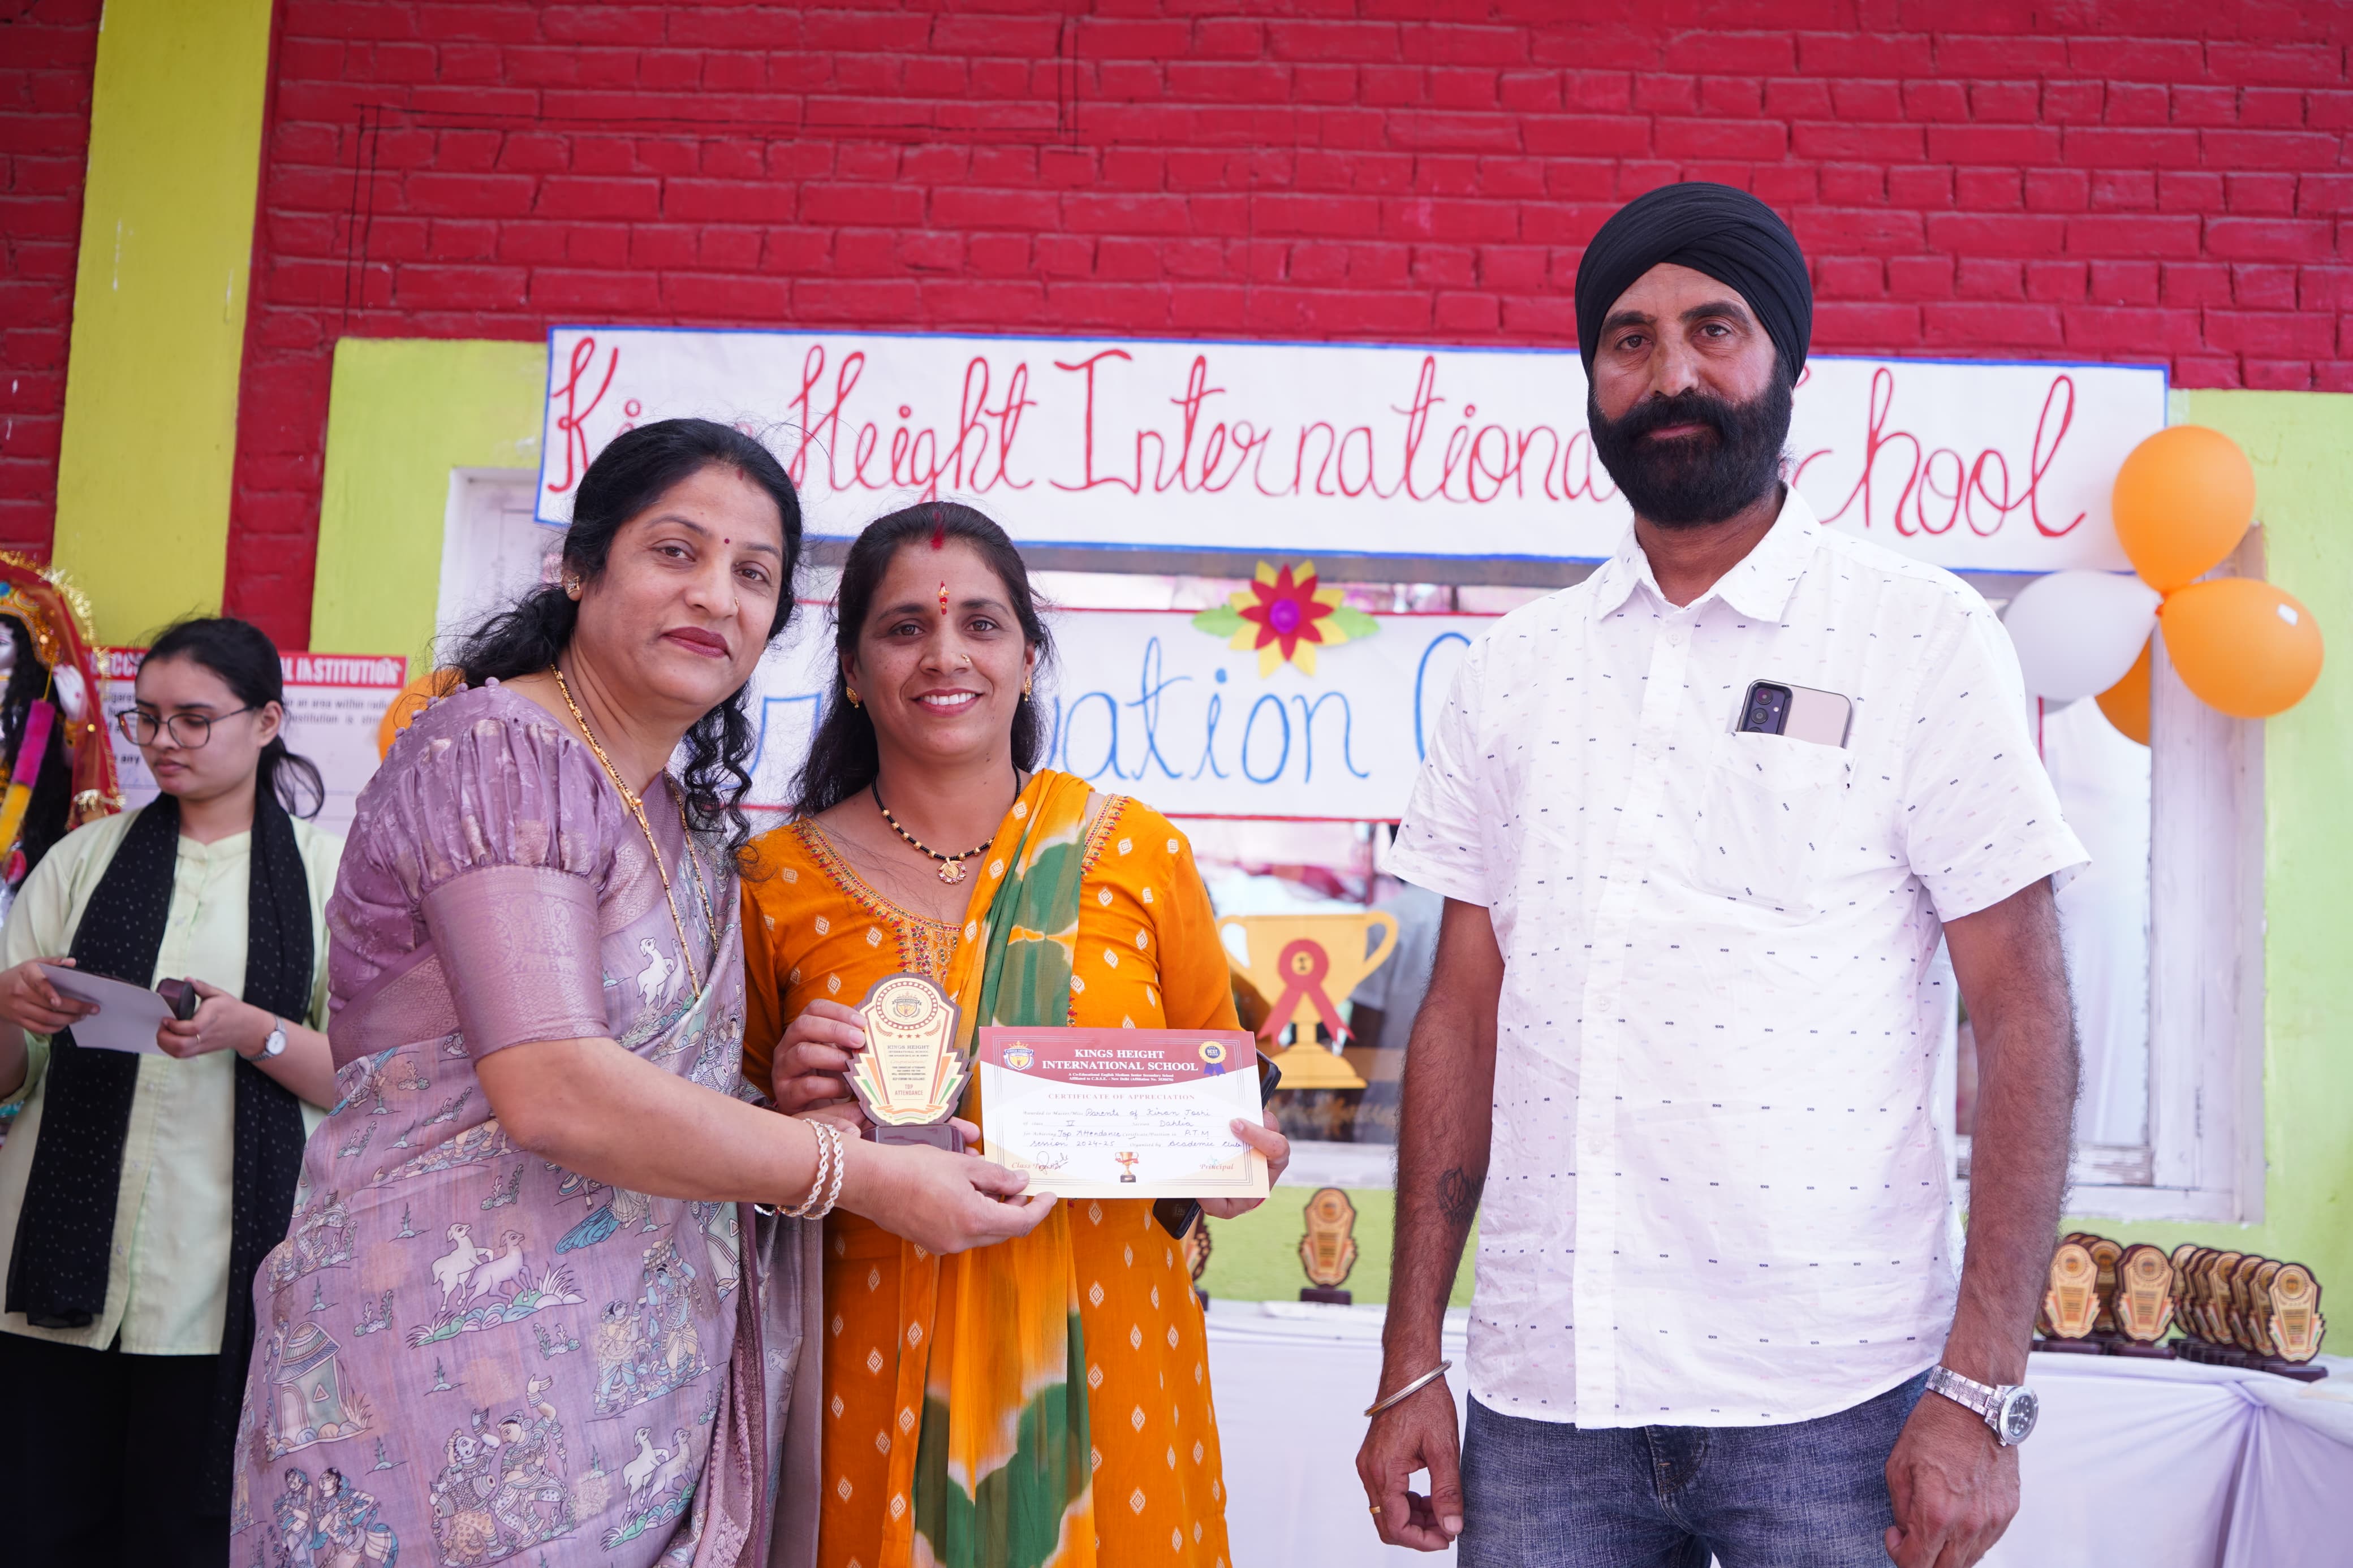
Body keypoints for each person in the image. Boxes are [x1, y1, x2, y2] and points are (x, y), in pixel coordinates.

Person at [1356, 182, 2087, 1568]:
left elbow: (2026, 1014)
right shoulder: (1514, 669)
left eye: (1713, 329)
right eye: (1627, 340)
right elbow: (1459, 1016)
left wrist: (1983, 1386)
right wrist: (1409, 1358)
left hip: (1835, 1407)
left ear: (1786, 363)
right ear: (1591, 380)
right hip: (1545, 1399)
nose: (1670, 374)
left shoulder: (1918, 637)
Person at [225, 420, 1053, 1568]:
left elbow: (668, 1083)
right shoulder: (498, 756)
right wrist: (863, 1174)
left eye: (753, 573)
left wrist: (792, 1092)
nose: (715, 594)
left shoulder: (684, 821)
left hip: (631, 1413)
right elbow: (555, 1087)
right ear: (580, 566)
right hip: (441, 1396)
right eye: (676, 551)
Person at [742, 502, 1291, 1568]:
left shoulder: (1139, 856)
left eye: (982, 624)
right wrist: (787, 1111)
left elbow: (1226, 1119)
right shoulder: (774, 886)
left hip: (1114, 1364)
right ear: (851, 670)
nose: (945, 654)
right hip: (872, 1372)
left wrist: (1243, 1162)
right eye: (904, 627)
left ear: (1028, 659)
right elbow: (721, 1159)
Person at [0, 616, 342, 1567]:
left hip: (222, 1285)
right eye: (146, 717)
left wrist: (254, 1031)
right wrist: (8, 1006)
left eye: (194, 719)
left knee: (184, 1542)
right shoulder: (83, 859)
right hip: (50, 1273)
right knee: (34, 1531)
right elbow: (11, 1081)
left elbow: (368, 1079)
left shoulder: (329, 875)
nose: (163, 741)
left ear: (266, 721)